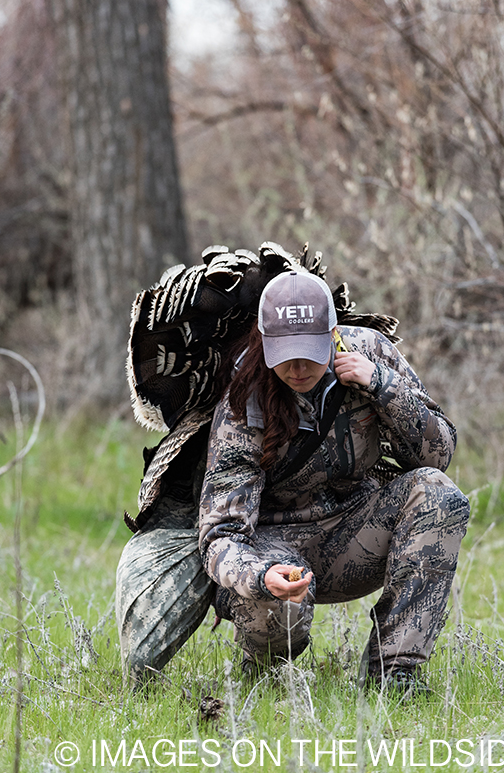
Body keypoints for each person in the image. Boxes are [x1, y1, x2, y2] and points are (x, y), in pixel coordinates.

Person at [198, 269, 470, 692]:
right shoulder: (244, 397)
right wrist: (259, 574)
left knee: (438, 494)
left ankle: (393, 675)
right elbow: (220, 534)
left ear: (333, 333)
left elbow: (438, 454)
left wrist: (381, 386)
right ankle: (261, 668)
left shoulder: (370, 352)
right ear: (266, 344)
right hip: (276, 544)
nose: (299, 366)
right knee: (277, 613)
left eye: (311, 349)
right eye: (286, 353)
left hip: (355, 530)